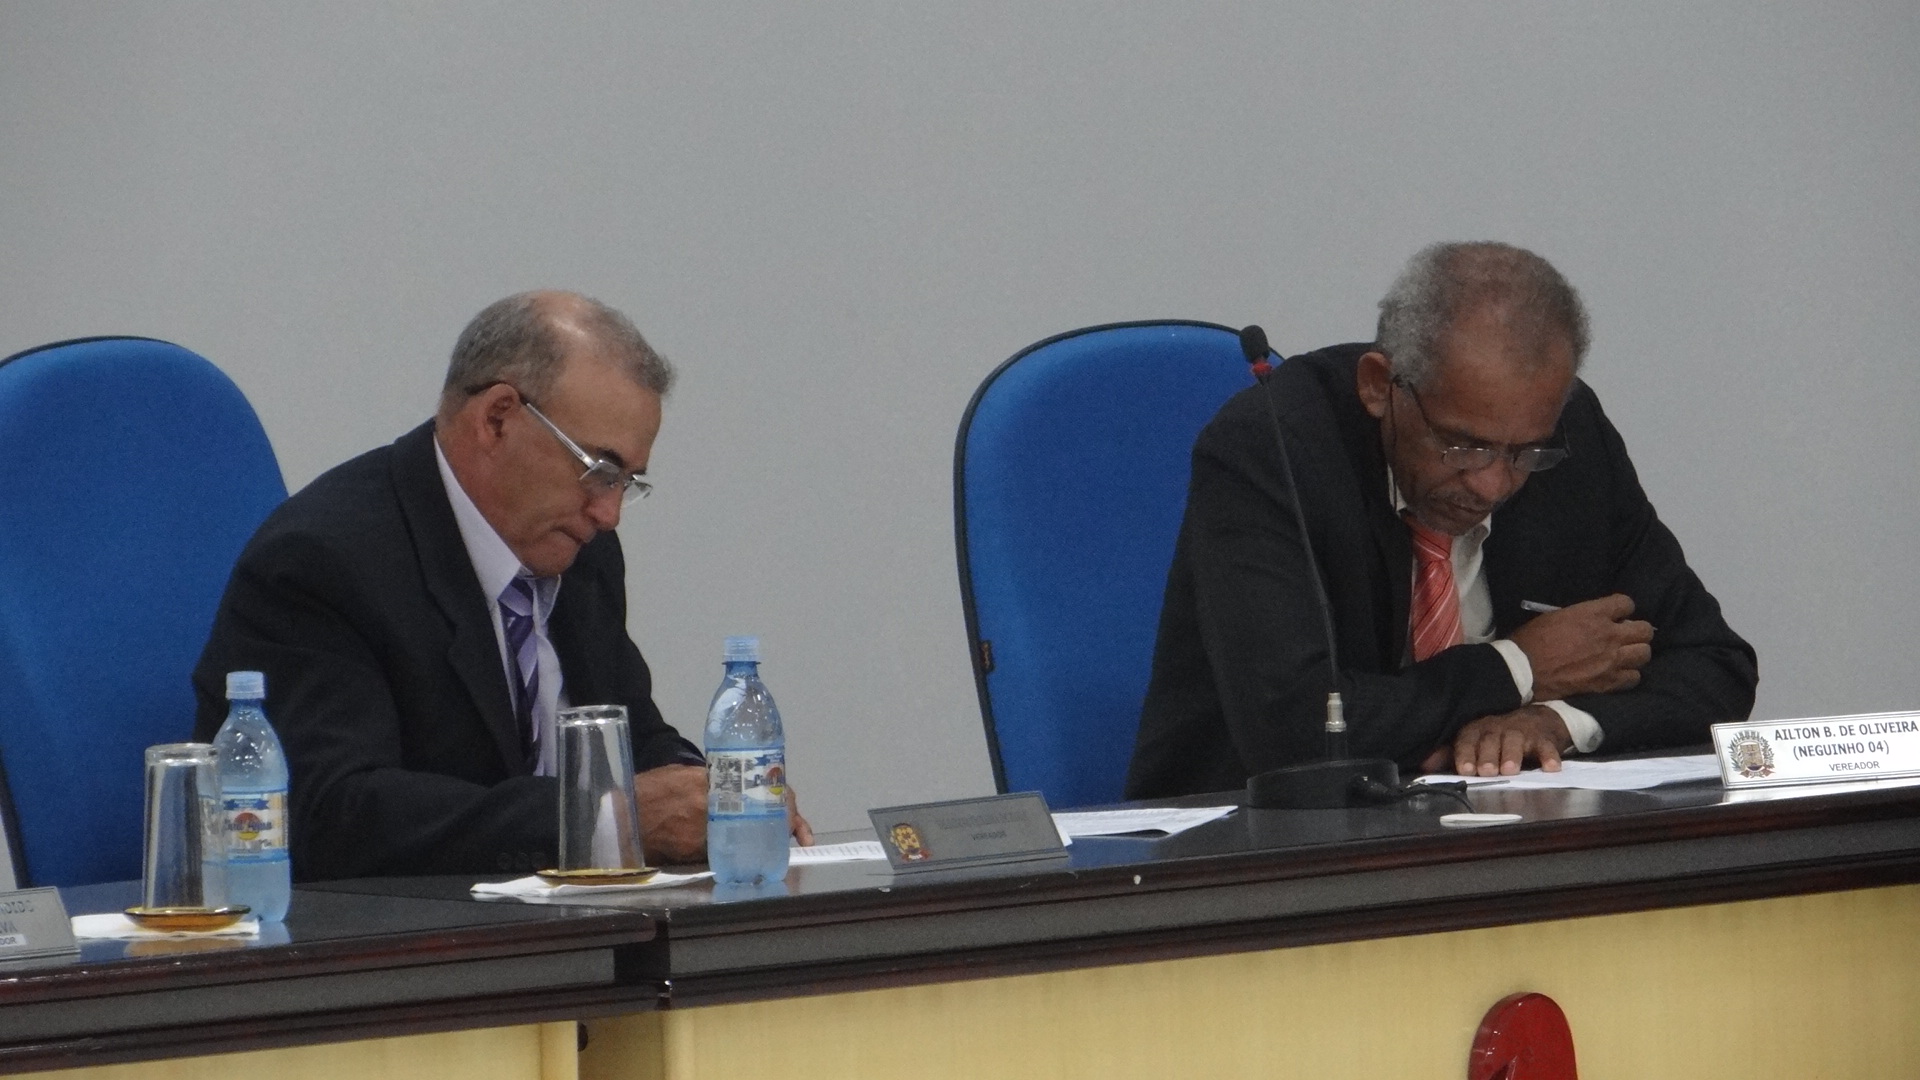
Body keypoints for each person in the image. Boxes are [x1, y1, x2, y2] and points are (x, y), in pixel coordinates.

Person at [193, 291, 811, 879]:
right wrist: (604, 818)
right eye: (600, 470)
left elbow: (633, 737)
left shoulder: (580, 552)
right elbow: (334, 813)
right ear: (497, 419)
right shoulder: (325, 559)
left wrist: (712, 794)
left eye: (626, 482)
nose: (609, 514)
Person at [1126, 242, 1757, 798]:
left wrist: (1554, 721)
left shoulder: (1568, 437)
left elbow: (1715, 665)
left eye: (1524, 453)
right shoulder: (1272, 449)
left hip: (1497, 834)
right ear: (1380, 386)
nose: (1494, 485)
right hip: (1259, 846)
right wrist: (1518, 668)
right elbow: (1295, 728)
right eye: (1464, 445)